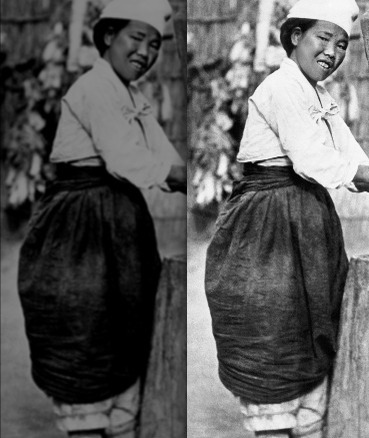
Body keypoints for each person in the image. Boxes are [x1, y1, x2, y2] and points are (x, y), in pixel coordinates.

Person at [204, 0, 369, 437]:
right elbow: (307, 155)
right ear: (296, 36)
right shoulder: (279, 88)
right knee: (271, 318)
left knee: (314, 315)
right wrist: (368, 174)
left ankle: (308, 421)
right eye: (323, 38)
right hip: (265, 222)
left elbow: (345, 150)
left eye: (341, 45)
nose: (333, 52)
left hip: (309, 218)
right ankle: (275, 422)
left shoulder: (320, 96)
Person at [16, 0, 186, 437]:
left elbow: (162, 154)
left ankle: (119, 418)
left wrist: (185, 176)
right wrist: (175, 175)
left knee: (125, 315)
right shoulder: (92, 88)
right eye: (136, 38)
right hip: (77, 224)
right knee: (81, 314)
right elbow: (124, 157)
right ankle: (88, 422)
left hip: (121, 220)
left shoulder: (133, 97)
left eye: (153, 45)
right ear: (109, 36)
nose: (146, 52)